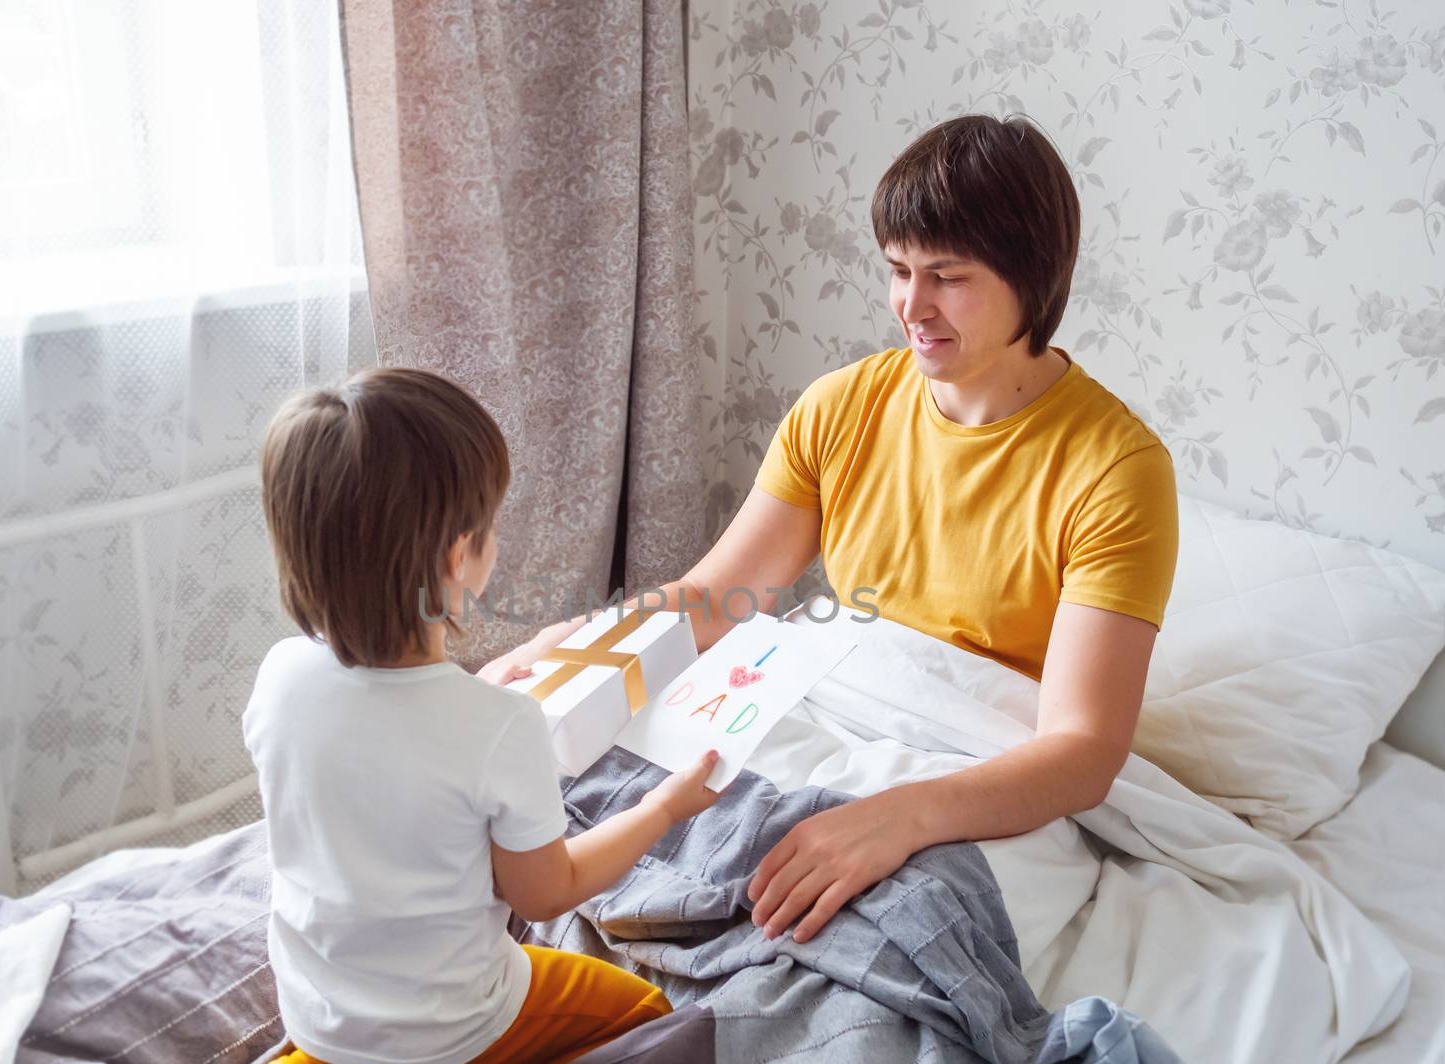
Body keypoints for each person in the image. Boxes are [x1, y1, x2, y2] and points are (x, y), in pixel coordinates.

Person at [481, 113, 1178, 950]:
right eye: (897, 271)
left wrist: (900, 818)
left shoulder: (1116, 469)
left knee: (832, 935)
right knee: (557, 799)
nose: (911, 307)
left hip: (975, 767)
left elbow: (1082, 749)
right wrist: (581, 643)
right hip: (832, 710)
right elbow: (718, 596)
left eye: (946, 277)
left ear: (1032, 278)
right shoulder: (843, 405)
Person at [199, 368, 720, 1064]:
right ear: (456, 558)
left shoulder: (280, 678)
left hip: (317, 1008)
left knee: (375, 993)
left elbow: (381, 763)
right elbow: (549, 895)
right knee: (643, 1018)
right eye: (489, 528)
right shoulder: (499, 727)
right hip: (451, 1031)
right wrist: (665, 806)